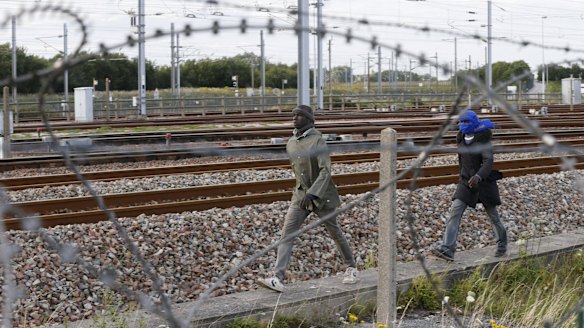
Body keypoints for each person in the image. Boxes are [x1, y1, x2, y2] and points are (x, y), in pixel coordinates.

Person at [257, 105, 358, 292]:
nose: (294, 118)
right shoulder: (291, 142)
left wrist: (313, 192)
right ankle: (277, 277)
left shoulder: (318, 141)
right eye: (293, 115)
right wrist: (303, 193)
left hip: (321, 197)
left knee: (334, 231)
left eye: (299, 115)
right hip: (300, 196)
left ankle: (351, 267)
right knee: (287, 233)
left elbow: (325, 170)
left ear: (309, 119)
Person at [432, 109, 507, 261]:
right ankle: (447, 249)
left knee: (493, 216)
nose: (463, 125)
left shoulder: (483, 140)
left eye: (466, 122)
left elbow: (488, 161)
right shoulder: (460, 138)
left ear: (473, 123)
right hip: (465, 183)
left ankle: (502, 244)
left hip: (484, 184)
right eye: (461, 122)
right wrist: (464, 177)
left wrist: (479, 176)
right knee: (455, 212)